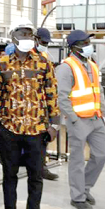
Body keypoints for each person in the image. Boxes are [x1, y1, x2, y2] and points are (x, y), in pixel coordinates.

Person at [0, 18, 60, 209]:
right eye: (22, 34)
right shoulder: (2, 63)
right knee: (9, 174)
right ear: (13, 37)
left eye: (30, 34)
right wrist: (0, 120)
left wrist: (54, 124)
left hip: (37, 129)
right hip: (9, 129)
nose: (27, 38)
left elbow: (51, 93)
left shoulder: (43, 62)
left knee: (36, 175)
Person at [56, 30, 105, 209]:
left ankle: (85, 187)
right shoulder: (66, 67)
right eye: (86, 42)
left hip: (96, 119)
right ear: (76, 47)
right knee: (77, 160)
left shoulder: (92, 65)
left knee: (102, 154)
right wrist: (73, 119)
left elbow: (98, 91)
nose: (89, 45)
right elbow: (61, 97)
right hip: (78, 120)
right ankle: (77, 197)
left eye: (89, 42)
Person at [35, 27, 59, 182]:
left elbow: (50, 87)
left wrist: (54, 117)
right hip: (26, 109)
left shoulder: (44, 58)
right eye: (43, 42)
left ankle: (41, 168)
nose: (45, 45)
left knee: (42, 140)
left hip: (41, 108)